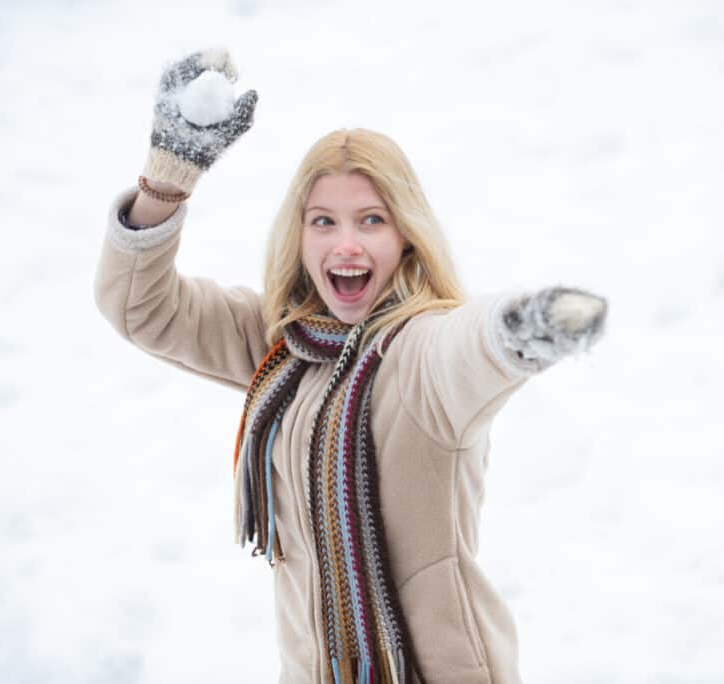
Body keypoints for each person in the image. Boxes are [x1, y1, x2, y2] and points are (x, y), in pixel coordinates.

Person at [94, 48, 608, 684]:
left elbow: (468, 346)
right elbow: (141, 307)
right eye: (323, 221)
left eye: (371, 220)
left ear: (405, 237)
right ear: (300, 236)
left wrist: (524, 326)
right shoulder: (278, 349)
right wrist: (165, 181)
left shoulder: (419, 354)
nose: (346, 243)